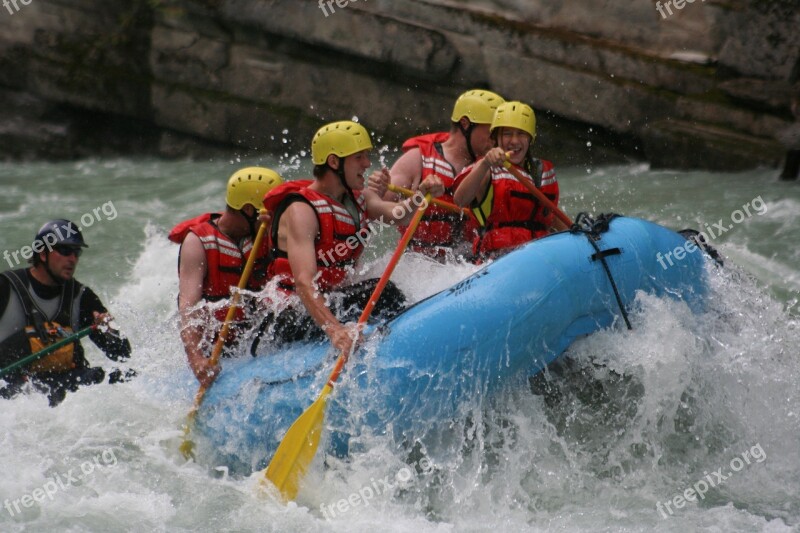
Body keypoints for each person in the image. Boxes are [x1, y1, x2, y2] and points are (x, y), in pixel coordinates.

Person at [259, 120, 444, 356]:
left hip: (331, 298)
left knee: (384, 292)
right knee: (385, 293)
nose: (367, 164)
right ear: (334, 162)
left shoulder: (360, 199)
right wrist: (335, 331)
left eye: (366, 156)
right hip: (291, 312)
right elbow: (304, 282)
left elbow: (400, 215)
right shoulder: (301, 210)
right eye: (359, 157)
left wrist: (422, 194)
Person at [170, 167, 283, 387]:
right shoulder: (198, 242)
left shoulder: (270, 232)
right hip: (222, 347)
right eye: (271, 210)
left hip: (263, 335)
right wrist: (196, 360)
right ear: (250, 210)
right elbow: (188, 307)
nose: (276, 217)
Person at [0, 220, 132, 406]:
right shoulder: (5, 288)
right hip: (14, 394)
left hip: (67, 393)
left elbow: (122, 354)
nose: (72, 259)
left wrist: (109, 331)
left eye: (76, 252)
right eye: (64, 251)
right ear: (43, 253)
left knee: (125, 377)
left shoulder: (81, 297)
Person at [369, 89, 505, 259]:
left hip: (469, 264)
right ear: (465, 124)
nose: (496, 140)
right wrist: (379, 189)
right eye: (491, 132)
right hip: (420, 263)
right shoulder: (417, 159)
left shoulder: (491, 167)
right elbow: (381, 217)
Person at [453, 101, 568, 261]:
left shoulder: (541, 171)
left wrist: (580, 237)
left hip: (539, 258)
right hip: (495, 262)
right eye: (507, 133)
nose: (514, 141)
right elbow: (460, 200)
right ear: (496, 138)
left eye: (521, 133)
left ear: (530, 139)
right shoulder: (485, 168)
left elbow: (551, 217)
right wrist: (485, 163)